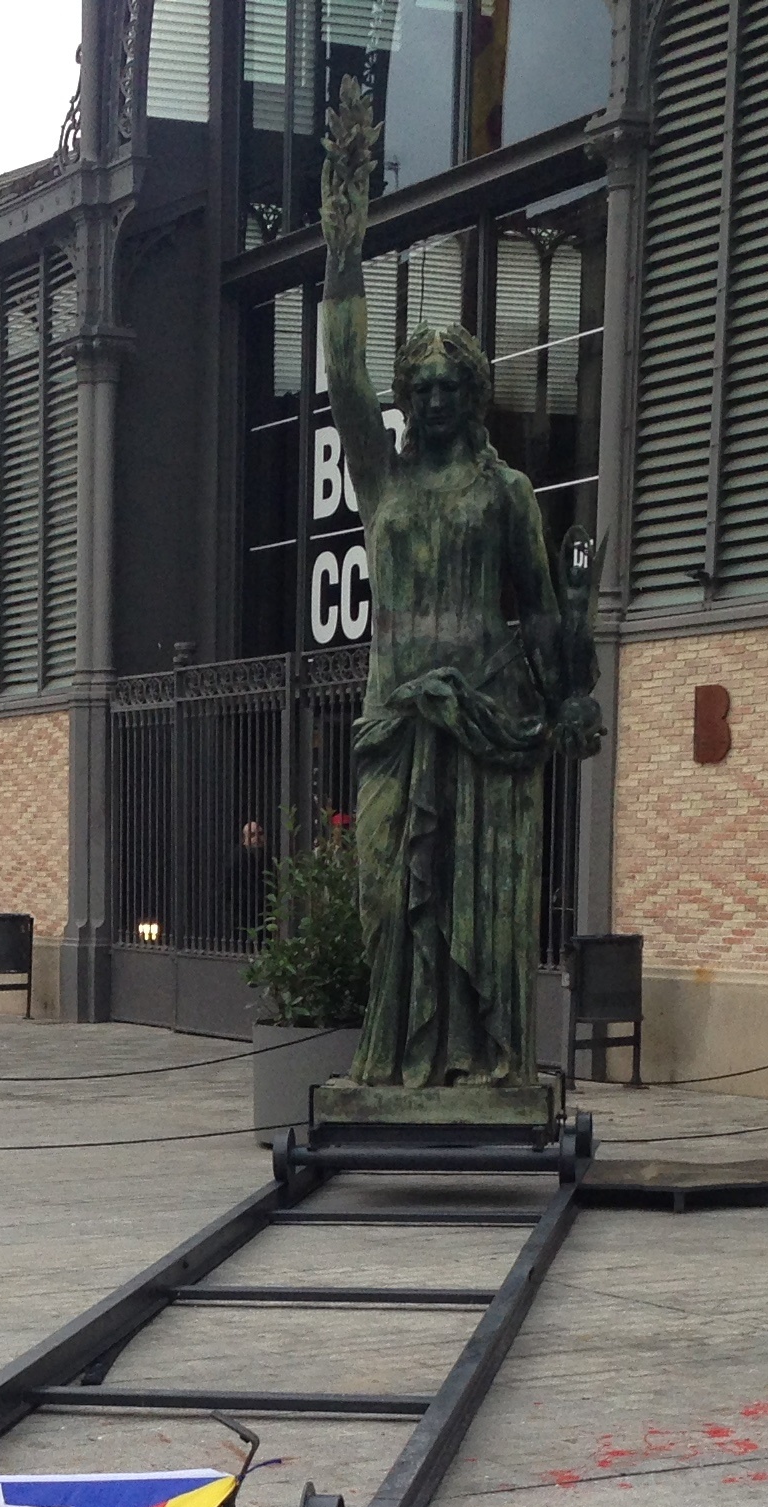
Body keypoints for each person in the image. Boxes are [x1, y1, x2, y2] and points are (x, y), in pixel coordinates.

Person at [319, 77, 599, 1092]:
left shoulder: (506, 493)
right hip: (396, 718)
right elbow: (343, 370)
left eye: (451, 385)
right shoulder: (382, 480)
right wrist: (344, 250)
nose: (434, 397)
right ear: (407, 398)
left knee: (481, 902)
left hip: (485, 720)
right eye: (421, 386)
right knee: (388, 893)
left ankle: (482, 1060)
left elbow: (545, 609)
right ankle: (397, 1057)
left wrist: (570, 696)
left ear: (473, 395)